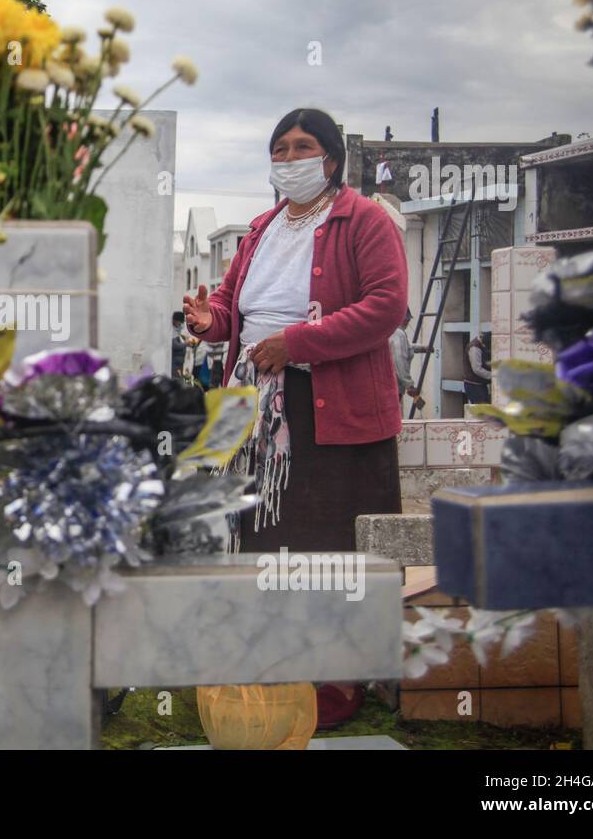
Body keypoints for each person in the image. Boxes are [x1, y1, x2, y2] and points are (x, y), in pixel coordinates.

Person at [183, 107, 407, 729]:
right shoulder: (262, 227)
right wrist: (209, 321)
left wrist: (298, 343)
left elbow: (386, 306)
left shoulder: (363, 220)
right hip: (251, 401)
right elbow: (231, 306)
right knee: (252, 533)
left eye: (302, 146)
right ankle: (265, 661)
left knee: (321, 542)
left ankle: (334, 677)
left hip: (325, 409)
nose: (288, 158)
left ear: (331, 158)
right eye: (278, 148)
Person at [390, 308, 415, 408]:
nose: (408, 322)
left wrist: (422, 348)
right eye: (406, 319)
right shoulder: (398, 334)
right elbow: (399, 359)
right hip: (394, 385)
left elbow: (405, 347)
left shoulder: (390, 331)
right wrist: (409, 384)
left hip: (389, 384)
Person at [464, 334, 492, 404]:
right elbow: (477, 369)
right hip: (474, 386)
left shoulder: (480, 344)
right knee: (482, 410)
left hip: (480, 384)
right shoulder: (475, 348)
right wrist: (493, 376)